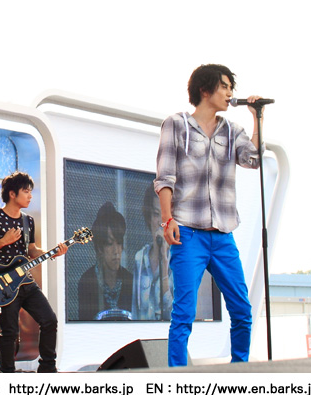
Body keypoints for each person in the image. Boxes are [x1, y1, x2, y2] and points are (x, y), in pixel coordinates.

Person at [154, 64, 265, 366]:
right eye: (224, 86)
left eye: (231, 88)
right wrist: (167, 219)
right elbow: (164, 177)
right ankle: (178, 378)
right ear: (205, 90)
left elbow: (253, 160)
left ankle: (239, 371)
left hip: (223, 235)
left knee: (242, 310)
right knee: (184, 312)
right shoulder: (176, 125)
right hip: (188, 233)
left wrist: (256, 117)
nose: (230, 93)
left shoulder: (232, 130)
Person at [0, 171, 68, 373]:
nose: (30, 196)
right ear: (12, 194)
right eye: (26, 191)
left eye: (30, 191)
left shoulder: (28, 221)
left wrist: (53, 252)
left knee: (49, 320)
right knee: (10, 331)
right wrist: (3, 241)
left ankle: (47, 368)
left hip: (25, 281)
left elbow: (32, 250)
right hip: (3, 284)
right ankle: (7, 373)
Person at [77, 202, 133, 320]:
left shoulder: (130, 280)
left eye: (119, 243)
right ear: (99, 248)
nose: (116, 251)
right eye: (109, 244)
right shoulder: (87, 281)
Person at [132, 183, 172, 320]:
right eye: (156, 214)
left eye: (165, 215)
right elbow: (135, 311)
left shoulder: (180, 259)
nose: (160, 222)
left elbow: (178, 314)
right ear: (149, 217)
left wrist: (164, 264)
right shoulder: (139, 258)